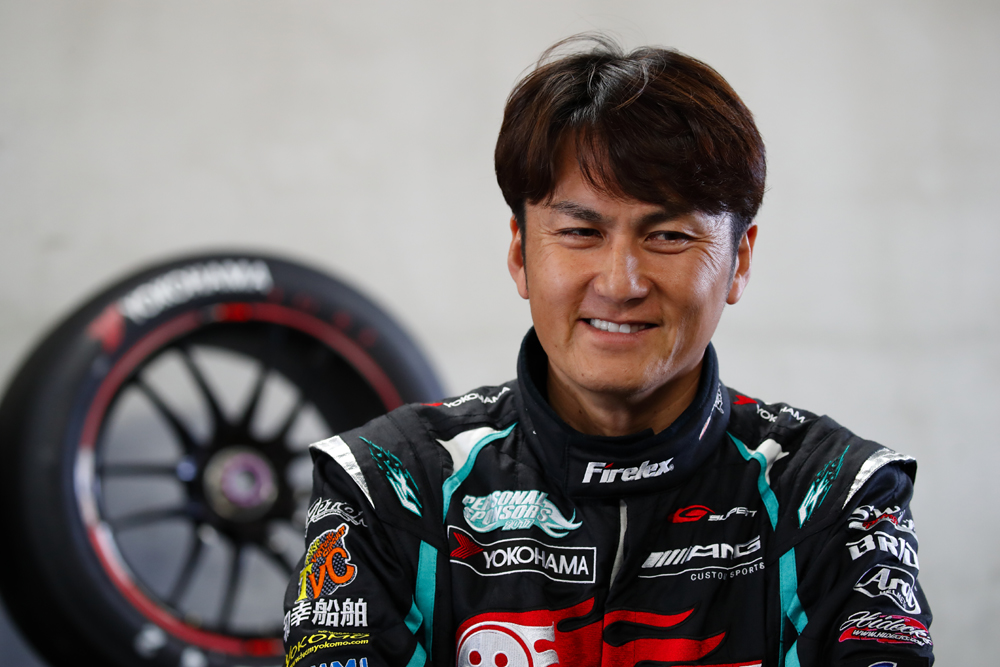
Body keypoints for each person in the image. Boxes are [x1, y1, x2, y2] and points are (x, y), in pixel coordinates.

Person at [283, 36, 933, 667]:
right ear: (520, 253)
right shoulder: (383, 486)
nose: (621, 283)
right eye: (580, 231)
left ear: (739, 261)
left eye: (669, 235)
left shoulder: (838, 495)